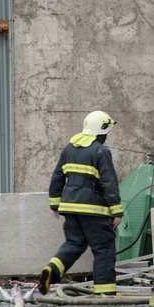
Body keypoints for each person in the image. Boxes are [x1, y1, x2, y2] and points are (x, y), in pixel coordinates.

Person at [38, 110, 123, 296]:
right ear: (101, 132)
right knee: (103, 249)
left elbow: (57, 177)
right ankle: (106, 292)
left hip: (70, 208)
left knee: (74, 244)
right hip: (94, 210)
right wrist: (116, 211)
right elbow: (109, 182)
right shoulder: (101, 151)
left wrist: (55, 205)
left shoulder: (69, 149)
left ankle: (52, 270)